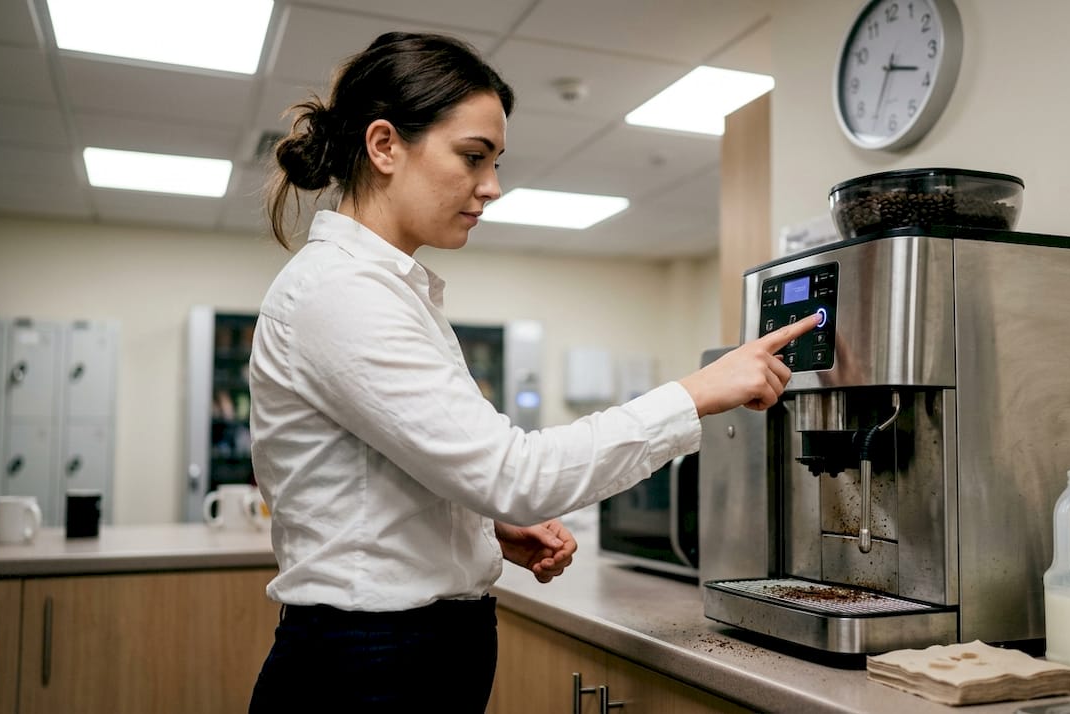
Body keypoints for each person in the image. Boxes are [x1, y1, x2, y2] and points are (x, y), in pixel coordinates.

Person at [245, 31, 820, 714]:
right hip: (366, 667)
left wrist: (475, 526)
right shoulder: (342, 293)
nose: (490, 186)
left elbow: (386, 478)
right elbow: (514, 475)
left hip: (405, 653)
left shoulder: (387, 289)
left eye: (495, 161)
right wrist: (697, 395)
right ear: (384, 146)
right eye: (472, 157)